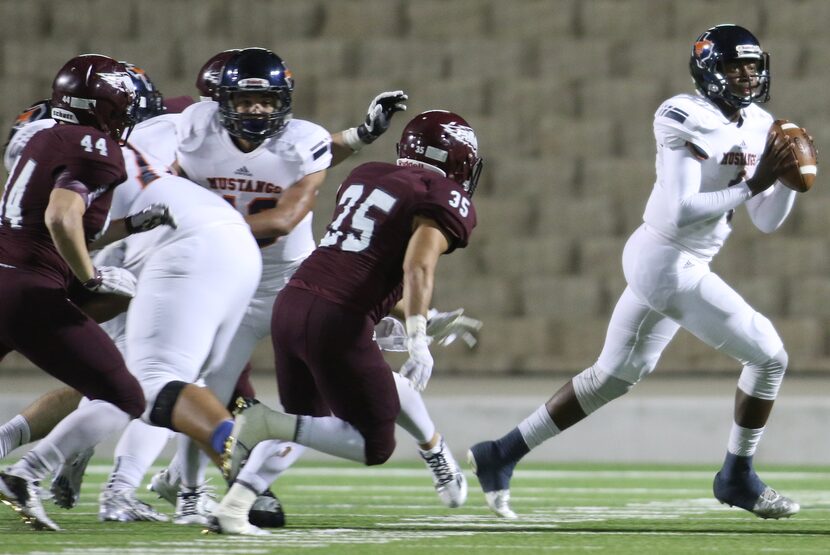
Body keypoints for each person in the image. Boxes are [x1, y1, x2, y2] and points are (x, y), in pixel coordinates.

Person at [467, 24, 804, 520]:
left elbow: (767, 221)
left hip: (682, 261)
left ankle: (500, 453)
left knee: (613, 376)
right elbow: (685, 208)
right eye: (737, 66)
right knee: (770, 356)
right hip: (666, 256)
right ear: (710, 69)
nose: (748, 76)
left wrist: (790, 182)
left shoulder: (760, 122)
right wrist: (755, 184)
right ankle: (737, 476)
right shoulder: (683, 114)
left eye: (755, 66)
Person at [214, 109, 482, 535]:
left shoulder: (368, 173)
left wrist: (423, 318)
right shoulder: (441, 194)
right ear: (459, 160)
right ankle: (265, 423)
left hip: (294, 299)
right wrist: (417, 339)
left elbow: (359, 265)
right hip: (336, 318)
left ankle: (233, 507)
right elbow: (417, 266)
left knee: (309, 423)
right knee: (373, 445)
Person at [0, 54, 177, 531]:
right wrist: (91, 277)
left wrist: (129, 225)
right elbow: (61, 218)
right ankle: (24, 474)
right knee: (124, 397)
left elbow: (58, 218)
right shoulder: (98, 145)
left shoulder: (40, 135)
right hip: (29, 289)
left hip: (5, 275)